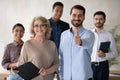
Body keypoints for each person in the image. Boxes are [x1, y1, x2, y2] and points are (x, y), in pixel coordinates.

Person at [59, 5, 95, 80]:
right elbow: (61, 57)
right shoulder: (63, 35)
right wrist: (61, 75)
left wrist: (81, 42)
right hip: (66, 77)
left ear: (84, 17)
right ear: (70, 16)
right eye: (74, 15)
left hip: (83, 77)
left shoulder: (89, 34)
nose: (77, 18)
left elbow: (87, 43)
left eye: (80, 16)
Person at [17, 16, 59, 80]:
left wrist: (46, 71)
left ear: (46, 27)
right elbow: (21, 65)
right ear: (33, 28)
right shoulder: (27, 44)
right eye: (36, 26)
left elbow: (56, 64)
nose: (39, 28)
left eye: (42, 25)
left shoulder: (52, 44)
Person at [91, 11, 118, 80]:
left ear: (104, 20)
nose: (98, 21)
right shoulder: (89, 34)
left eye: (101, 19)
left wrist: (105, 55)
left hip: (103, 67)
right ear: (93, 20)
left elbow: (115, 53)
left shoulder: (109, 35)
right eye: (96, 19)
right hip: (89, 66)